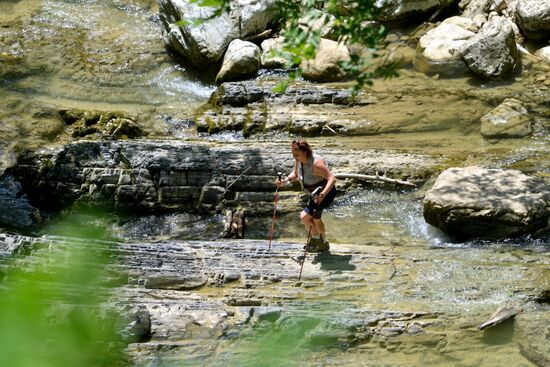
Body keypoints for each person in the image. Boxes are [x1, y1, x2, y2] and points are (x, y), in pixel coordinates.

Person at [276, 139, 337, 252]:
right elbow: (295, 174)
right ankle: (320, 240)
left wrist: (322, 195)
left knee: (307, 217)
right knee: (311, 218)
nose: (294, 157)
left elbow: (332, 179)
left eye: (297, 154)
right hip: (314, 194)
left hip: (325, 193)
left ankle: (319, 241)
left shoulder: (316, 163)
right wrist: (285, 181)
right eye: (293, 154)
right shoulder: (299, 161)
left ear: (305, 152)